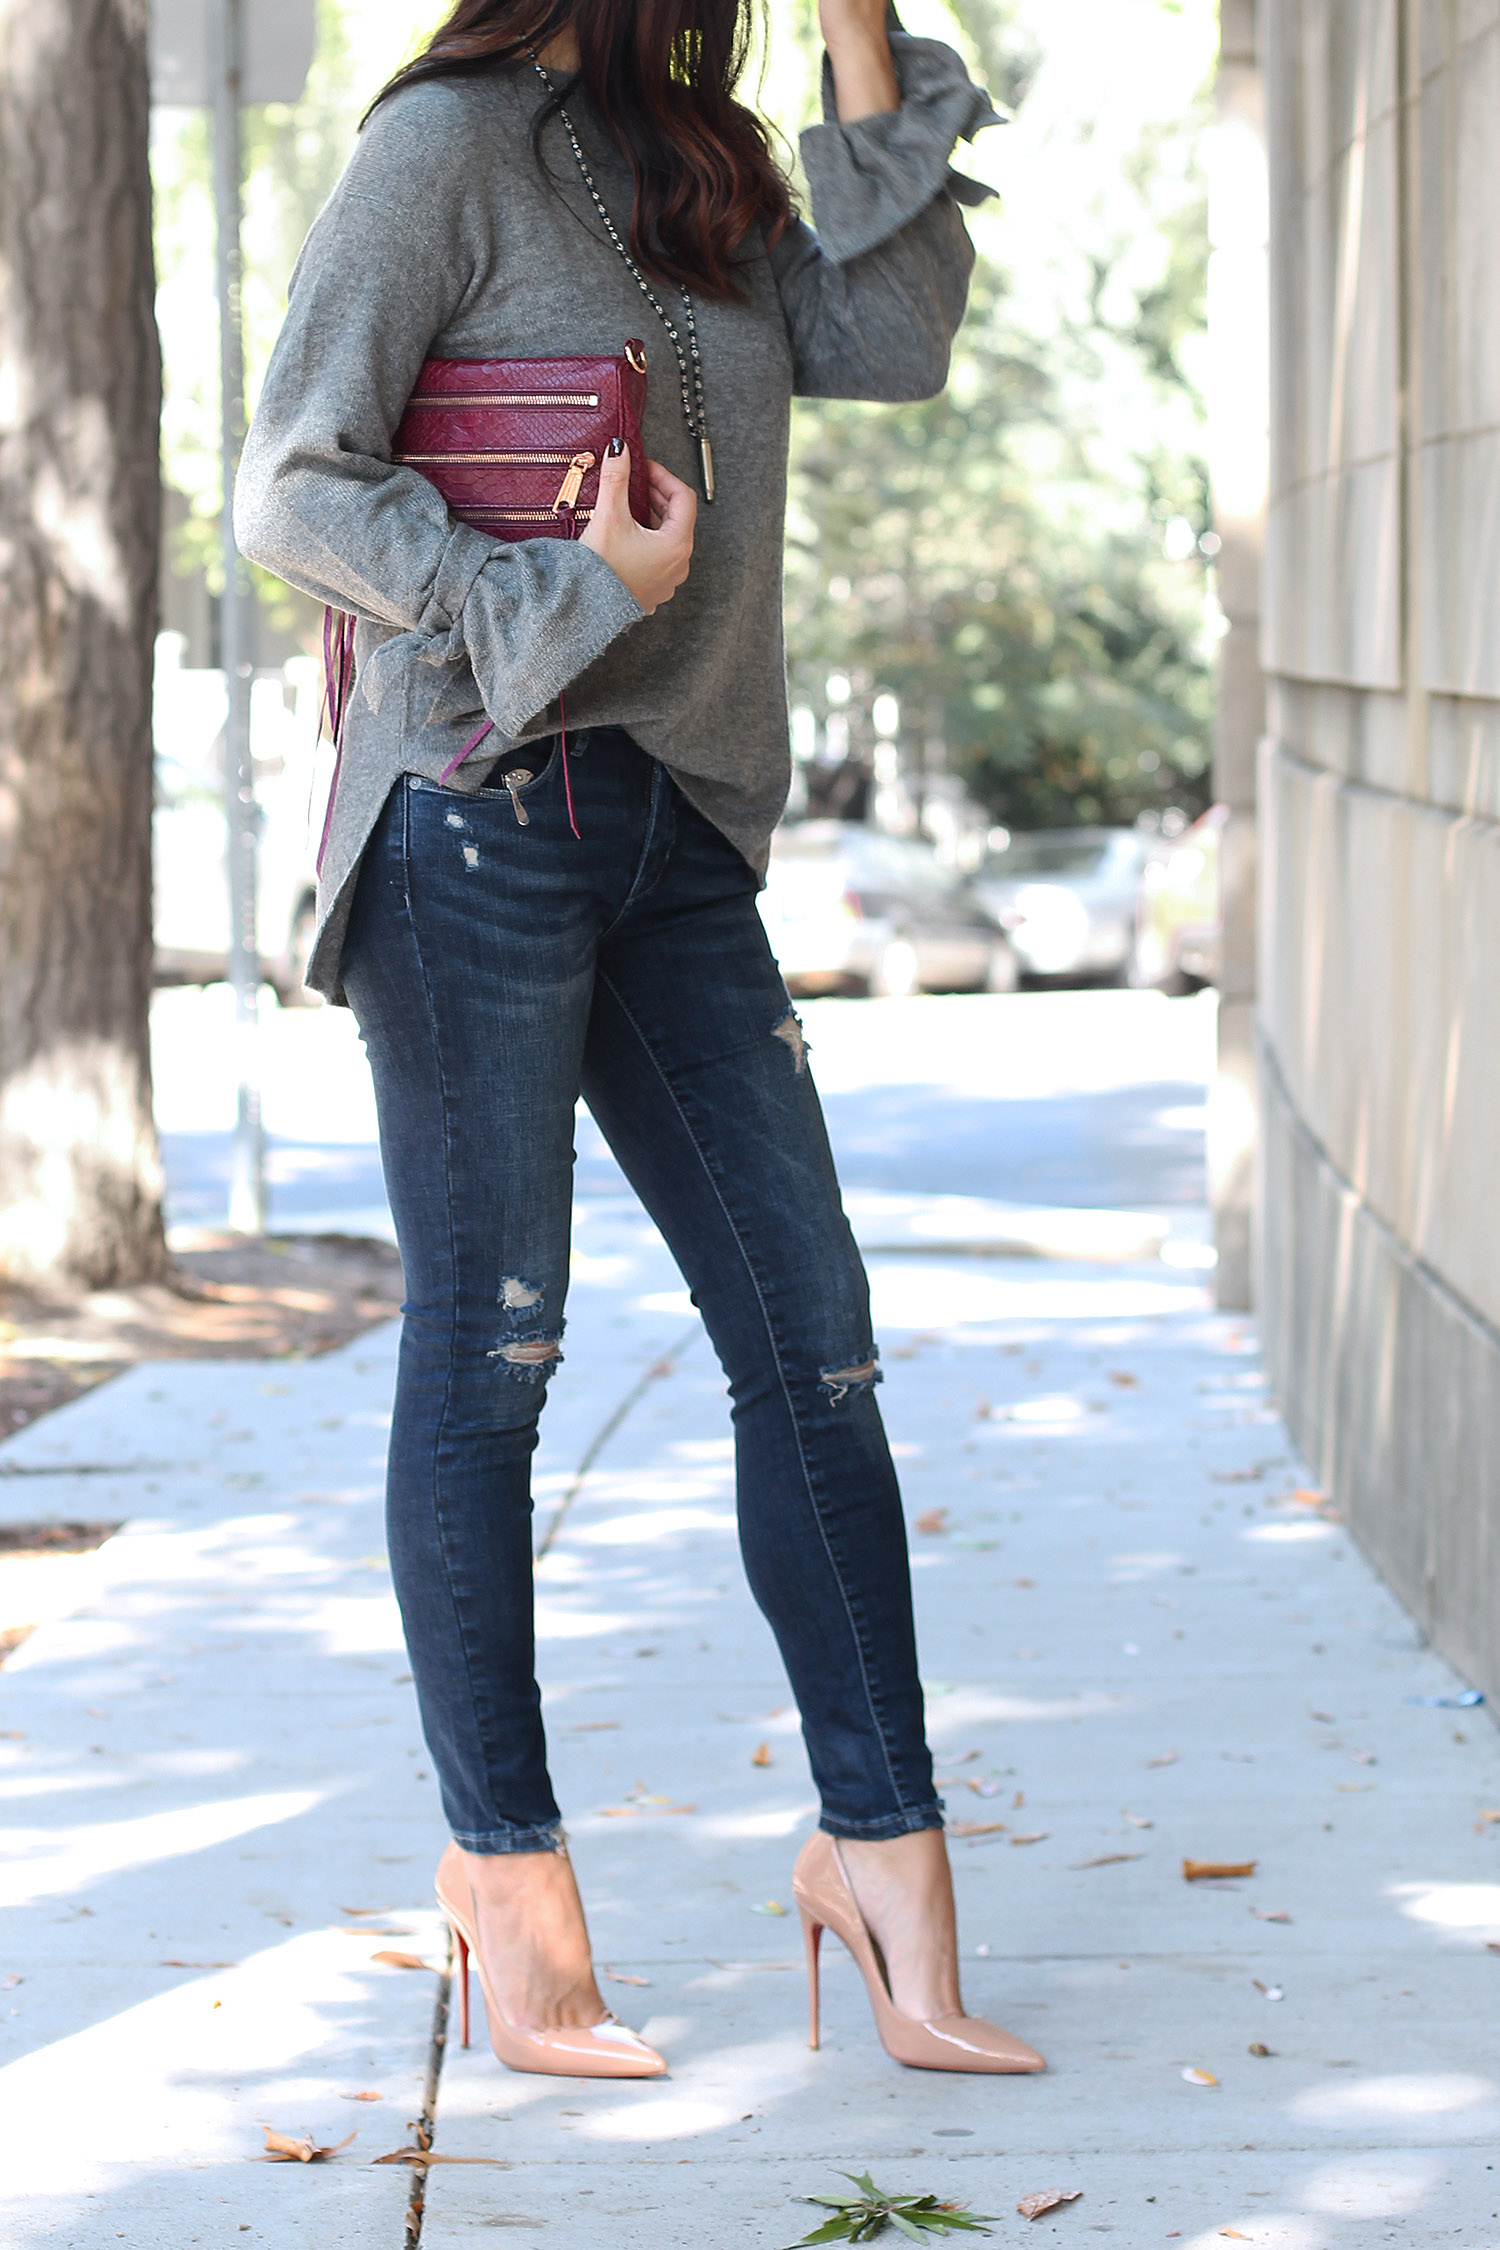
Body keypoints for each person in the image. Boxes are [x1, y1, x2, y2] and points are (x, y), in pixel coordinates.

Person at [236, 0, 1043, 2082]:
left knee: (815, 1340)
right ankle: (507, 1885)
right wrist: (561, 584)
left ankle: (883, 1861)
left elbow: (902, 336)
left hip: (676, 827)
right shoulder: (441, 153)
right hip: (474, 812)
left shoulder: (703, 153)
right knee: (493, 1354)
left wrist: (872, 41)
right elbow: (290, 486)